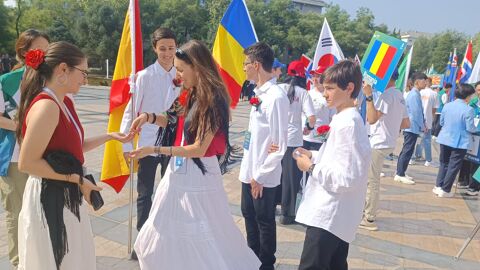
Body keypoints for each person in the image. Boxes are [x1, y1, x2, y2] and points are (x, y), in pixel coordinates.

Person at [128, 40, 261, 269]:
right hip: (178, 171)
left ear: (197, 66)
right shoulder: (188, 93)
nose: (178, 75)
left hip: (199, 174)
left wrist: (155, 149)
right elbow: (170, 118)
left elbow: (199, 147)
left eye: (181, 69)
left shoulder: (212, 99)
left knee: (205, 235)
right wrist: (148, 117)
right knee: (162, 231)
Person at [16, 42, 133, 270]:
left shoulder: (64, 101)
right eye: (83, 72)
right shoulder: (47, 106)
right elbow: (27, 163)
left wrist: (110, 136)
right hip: (50, 197)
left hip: (64, 193)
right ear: (62, 70)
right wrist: (78, 180)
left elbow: (74, 149)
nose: (86, 80)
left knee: (73, 260)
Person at [294, 60, 371, 270]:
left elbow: (348, 177)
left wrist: (309, 167)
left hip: (329, 214)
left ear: (349, 88)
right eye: (324, 87)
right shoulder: (345, 118)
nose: (324, 93)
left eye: (330, 88)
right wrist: (313, 155)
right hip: (335, 215)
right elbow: (339, 158)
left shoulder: (348, 123)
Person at [119, 28, 179, 254]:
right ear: (154, 48)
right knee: (145, 193)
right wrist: (126, 144)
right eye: (162, 48)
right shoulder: (144, 76)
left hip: (172, 146)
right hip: (146, 144)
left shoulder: (181, 76)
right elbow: (131, 111)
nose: (167, 53)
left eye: (171, 48)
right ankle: (142, 242)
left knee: (170, 192)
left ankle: (164, 239)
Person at [0, 29, 49, 269]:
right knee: (17, 211)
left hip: (43, 156)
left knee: (40, 210)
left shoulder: (48, 80)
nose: (44, 55)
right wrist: (25, 127)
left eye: (48, 51)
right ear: (23, 53)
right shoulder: (6, 82)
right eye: (39, 49)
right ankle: (20, 262)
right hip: (14, 158)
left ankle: (38, 258)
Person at [239, 42, 289, 270]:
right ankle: (252, 260)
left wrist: (259, 176)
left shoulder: (276, 97)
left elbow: (279, 144)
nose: (244, 69)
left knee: (264, 221)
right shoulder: (259, 93)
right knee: (248, 215)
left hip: (262, 177)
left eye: (245, 64)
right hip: (249, 172)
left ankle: (266, 264)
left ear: (256, 65)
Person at [359, 69, 410, 231]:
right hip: (387, 142)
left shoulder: (386, 96)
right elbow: (405, 123)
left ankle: (369, 218)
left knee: (371, 181)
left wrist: (368, 97)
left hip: (378, 142)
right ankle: (367, 212)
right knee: (371, 180)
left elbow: (372, 119)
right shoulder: (400, 96)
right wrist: (391, 126)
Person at [277, 60, 315, 225]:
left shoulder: (277, 89)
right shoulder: (303, 93)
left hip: (275, 139)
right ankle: (288, 214)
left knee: (274, 174)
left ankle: (271, 205)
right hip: (293, 140)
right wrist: (307, 127)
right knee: (291, 178)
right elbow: (312, 118)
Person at [433, 83, 476, 197]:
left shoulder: (447, 106)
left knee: (444, 163)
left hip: (445, 138)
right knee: (453, 166)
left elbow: (441, 122)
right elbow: (470, 128)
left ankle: (438, 186)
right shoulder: (469, 110)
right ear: (467, 96)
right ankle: (446, 190)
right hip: (459, 142)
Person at [395, 72, 427, 185]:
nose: (425, 83)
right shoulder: (414, 94)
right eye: (424, 80)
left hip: (413, 126)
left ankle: (401, 171)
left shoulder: (416, 93)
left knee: (408, 150)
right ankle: (399, 173)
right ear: (417, 82)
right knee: (407, 150)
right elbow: (416, 112)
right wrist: (423, 126)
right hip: (411, 126)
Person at [303, 66, 335, 151]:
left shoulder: (329, 96)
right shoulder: (307, 93)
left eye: (318, 76)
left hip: (320, 140)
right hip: (305, 138)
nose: (314, 79)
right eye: (313, 76)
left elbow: (333, 118)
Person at [459, 81, 480, 196]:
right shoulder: (473, 103)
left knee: (478, 163)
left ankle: (475, 187)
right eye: (478, 90)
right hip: (472, 136)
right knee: (468, 159)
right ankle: (465, 181)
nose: (479, 92)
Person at [413, 77, 439, 167]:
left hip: (417, 119)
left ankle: (415, 156)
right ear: (430, 83)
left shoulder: (419, 92)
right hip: (427, 119)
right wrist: (432, 118)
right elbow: (434, 109)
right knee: (427, 140)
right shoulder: (434, 94)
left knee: (416, 138)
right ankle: (428, 160)